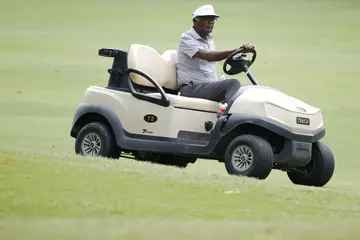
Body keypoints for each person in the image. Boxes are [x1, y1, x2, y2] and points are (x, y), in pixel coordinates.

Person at [176, 4, 255, 103]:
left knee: (244, 89)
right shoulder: (186, 38)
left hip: (206, 86)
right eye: (206, 19)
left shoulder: (209, 39)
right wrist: (236, 50)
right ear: (195, 21)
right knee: (232, 84)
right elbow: (208, 56)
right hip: (191, 88)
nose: (210, 22)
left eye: (212, 19)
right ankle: (226, 116)